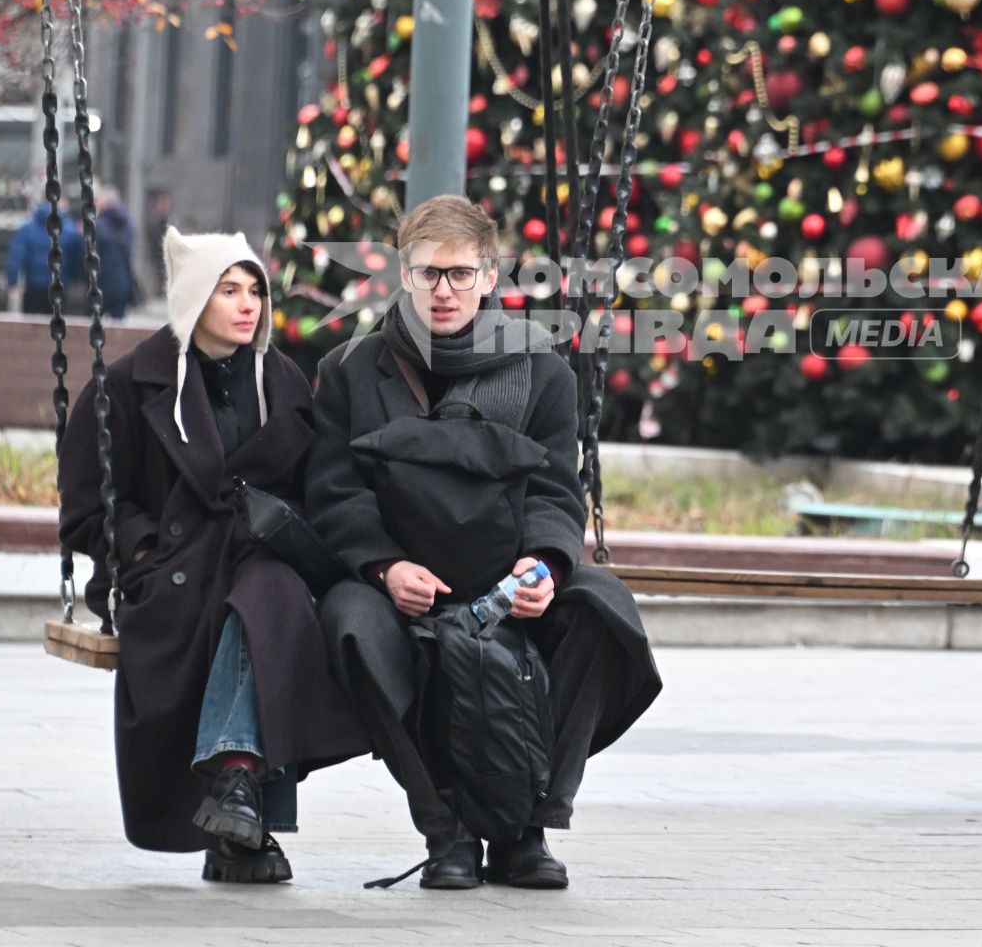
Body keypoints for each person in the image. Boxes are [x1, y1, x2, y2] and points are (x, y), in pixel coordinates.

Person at [308, 195, 661, 891]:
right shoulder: (352, 369)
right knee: (353, 625)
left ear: (489, 277)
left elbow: (560, 490)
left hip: (507, 577)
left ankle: (529, 826)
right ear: (402, 276)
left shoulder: (541, 371)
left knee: (602, 608)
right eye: (428, 273)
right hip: (401, 576)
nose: (444, 291)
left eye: (460, 275)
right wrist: (384, 567)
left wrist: (546, 567)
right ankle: (447, 833)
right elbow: (333, 490)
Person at [58, 227, 369, 883]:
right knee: (255, 607)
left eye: (255, 289)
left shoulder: (282, 383)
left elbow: (315, 488)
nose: (248, 303)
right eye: (229, 290)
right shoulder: (126, 387)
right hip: (168, 573)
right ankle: (240, 817)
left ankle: (236, 786)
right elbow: (89, 511)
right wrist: (141, 544)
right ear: (195, 298)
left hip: (260, 554)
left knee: (271, 596)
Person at [6, 200, 85, 316]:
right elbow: (78, 257)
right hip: (60, 286)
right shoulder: (70, 231)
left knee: (30, 321)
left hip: (33, 285)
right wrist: (77, 277)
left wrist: (12, 281)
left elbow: (16, 257)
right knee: (57, 323)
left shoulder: (27, 230)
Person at [93, 185, 138, 320]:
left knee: (94, 327)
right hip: (122, 284)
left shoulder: (98, 225)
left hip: (101, 283)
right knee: (118, 327)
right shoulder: (127, 225)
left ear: (104, 203)